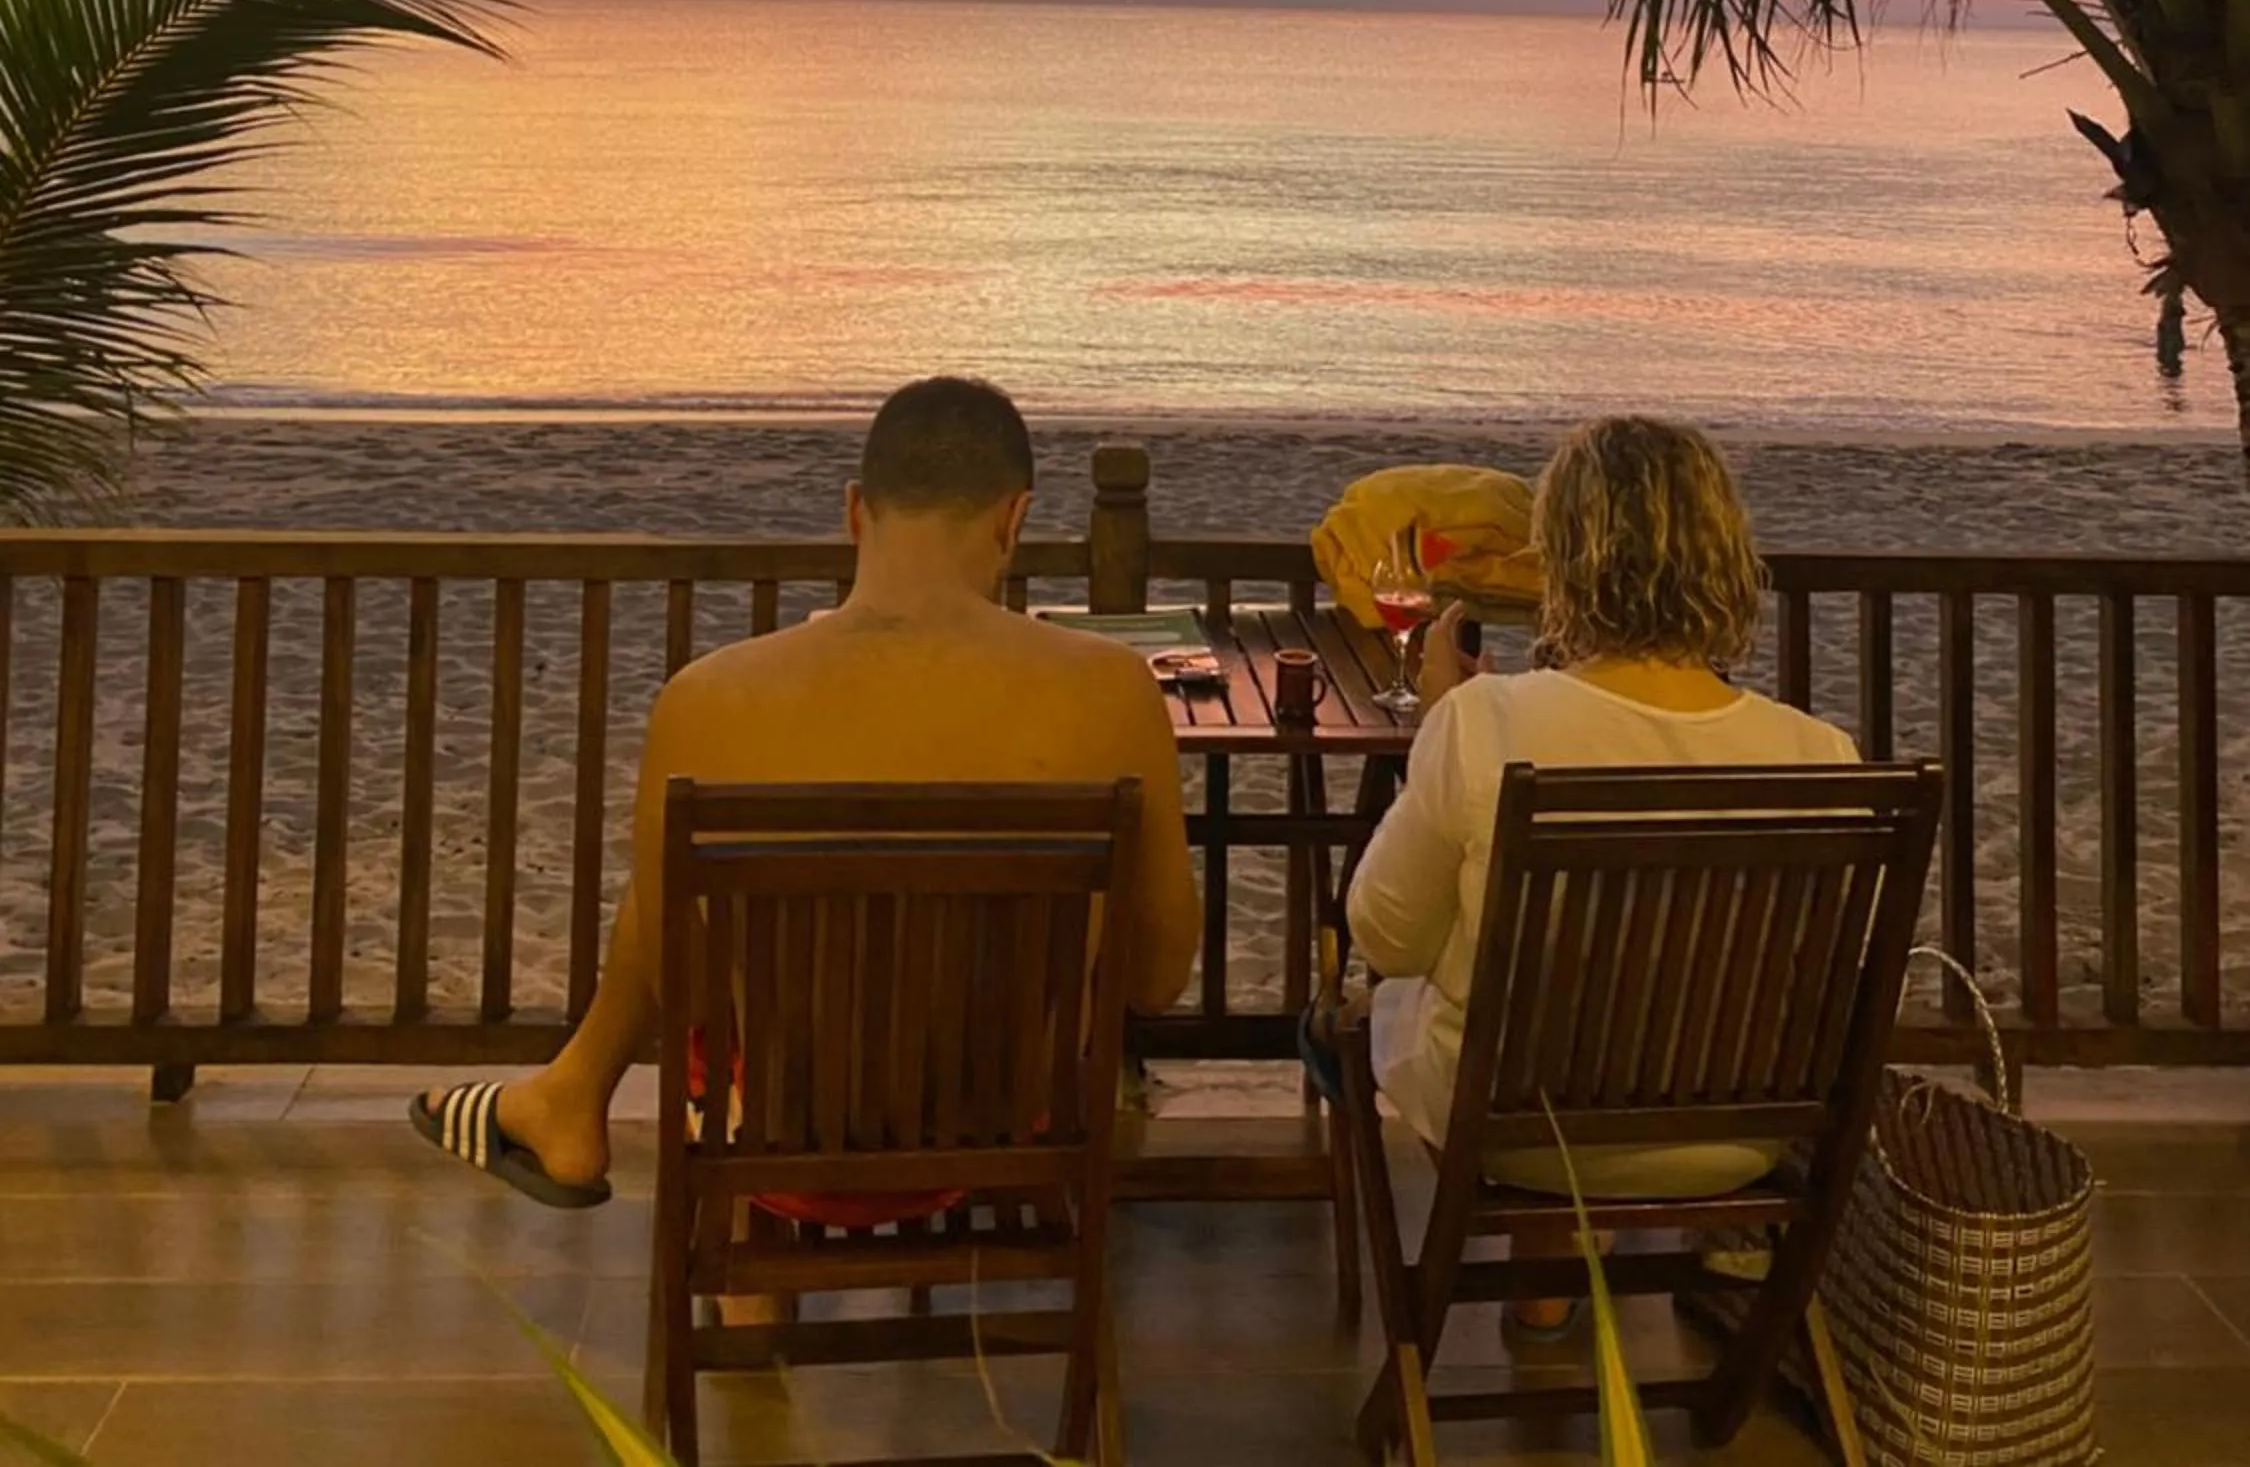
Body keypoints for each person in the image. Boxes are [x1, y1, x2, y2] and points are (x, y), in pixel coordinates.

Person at [414, 375, 1202, 1205]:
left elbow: (687, 983)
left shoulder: (709, 698)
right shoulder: (1113, 690)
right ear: (1015, 519)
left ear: (855, 511)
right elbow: (1155, 978)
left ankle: (592, 1118)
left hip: (777, 1133)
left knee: (674, 902)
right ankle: (569, 1097)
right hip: (1009, 1129)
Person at [1343, 414, 1858, 1328]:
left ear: (1565, 560)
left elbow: (1386, 936)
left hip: (1520, 1126)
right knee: (1623, 1002)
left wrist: (1436, 727)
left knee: (1402, 1011)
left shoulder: (1489, 723)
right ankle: (1548, 1295)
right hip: (1735, 1134)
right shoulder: (1820, 755)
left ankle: (1539, 1294)